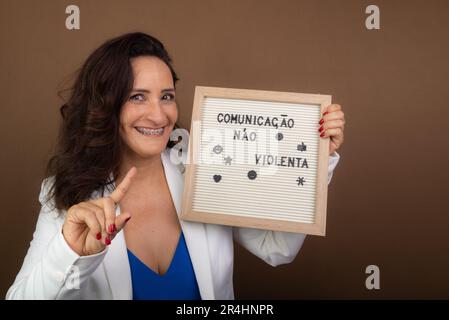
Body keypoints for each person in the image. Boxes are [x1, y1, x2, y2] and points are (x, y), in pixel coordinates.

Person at [6, 32, 345, 300]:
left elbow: (277, 249)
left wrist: (316, 161)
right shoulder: (67, 195)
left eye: (166, 96)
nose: (159, 114)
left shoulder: (206, 168)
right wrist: (70, 251)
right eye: (137, 97)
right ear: (105, 106)